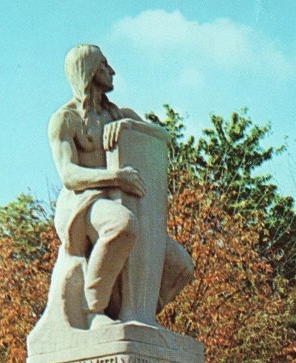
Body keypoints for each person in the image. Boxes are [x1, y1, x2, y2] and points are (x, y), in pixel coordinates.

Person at [48, 44, 193, 328]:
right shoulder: (65, 120)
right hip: (82, 203)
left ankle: (135, 313)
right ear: (88, 71)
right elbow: (69, 175)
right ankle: (94, 312)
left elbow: (164, 137)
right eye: (104, 65)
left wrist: (130, 126)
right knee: (121, 225)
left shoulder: (118, 114)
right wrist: (115, 177)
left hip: (119, 198)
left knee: (180, 265)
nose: (111, 71)